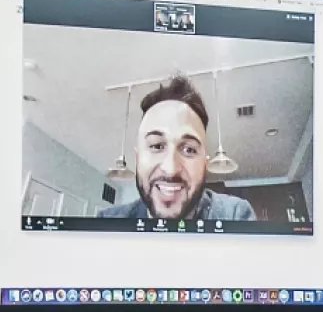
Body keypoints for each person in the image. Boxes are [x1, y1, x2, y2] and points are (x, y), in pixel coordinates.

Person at [95, 76, 256, 222]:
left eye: (189, 150)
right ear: (137, 159)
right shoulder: (108, 222)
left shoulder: (235, 215)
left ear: (205, 164)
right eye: (157, 146)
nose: (170, 170)